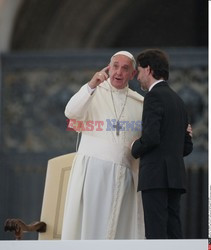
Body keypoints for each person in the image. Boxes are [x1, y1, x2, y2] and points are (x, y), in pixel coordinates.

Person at [61, 51, 145, 239]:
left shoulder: (140, 103)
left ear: (132, 75)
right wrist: (91, 85)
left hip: (125, 176)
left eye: (125, 68)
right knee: (91, 225)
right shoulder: (94, 91)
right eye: (115, 66)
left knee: (118, 230)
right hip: (93, 173)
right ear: (108, 67)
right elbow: (71, 112)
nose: (119, 72)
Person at [131, 49, 193, 239]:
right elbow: (186, 147)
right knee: (173, 231)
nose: (138, 77)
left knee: (156, 233)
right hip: (174, 177)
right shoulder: (178, 100)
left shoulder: (153, 96)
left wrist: (134, 147)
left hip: (156, 176)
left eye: (139, 71)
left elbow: (151, 138)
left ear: (148, 69)